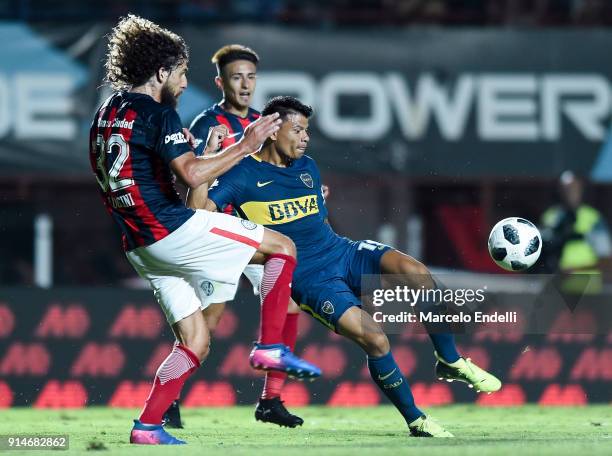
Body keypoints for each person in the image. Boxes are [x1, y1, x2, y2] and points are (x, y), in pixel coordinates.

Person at [190, 96, 502, 438]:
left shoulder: (307, 166)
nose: (305, 137)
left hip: (343, 251)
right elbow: (198, 214)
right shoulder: (241, 173)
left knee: (415, 272)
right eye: (297, 129)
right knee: (377, 341)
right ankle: (417, 420)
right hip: (309, 279)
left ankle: (451, 360)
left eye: (307, 130)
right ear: (273, 131)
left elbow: (310, 221)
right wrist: (207, 159)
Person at [91, 18, 319, 445]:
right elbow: (192, 172)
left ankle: (147, 426)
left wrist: (204, 159)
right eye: (179, 72)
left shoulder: (108, 112)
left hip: (139, 246)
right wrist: (244, 146)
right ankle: (270, 347)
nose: (182, 81)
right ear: (160, 72)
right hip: (172, 231)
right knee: (282, 247)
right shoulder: (158, 111)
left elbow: (161, 171)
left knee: (195, 341)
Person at [162, 45, 306, 429]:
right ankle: (169, 398)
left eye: (251, 77)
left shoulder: (266, 123)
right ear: (220, 82)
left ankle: (270, 400)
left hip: (258, 232)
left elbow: (280, 176)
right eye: (236, 77)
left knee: (290, 305)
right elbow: (191, 183)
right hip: (217, 232)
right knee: (207, 325)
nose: (245, 84)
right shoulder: (206, 125)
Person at [540, 171, 612, 293]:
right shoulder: (550, 216)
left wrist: (575, 270)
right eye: (565, 188)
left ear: (581, 189)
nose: (570, 192)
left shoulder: (592, 218)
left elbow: (606, 259)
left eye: (573, 187)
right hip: (555, 290)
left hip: (587, 290)